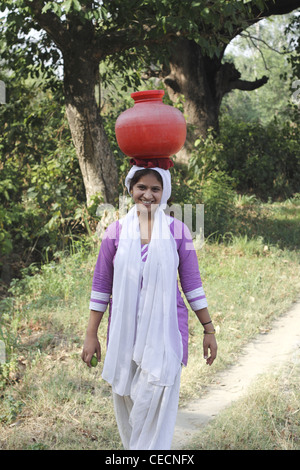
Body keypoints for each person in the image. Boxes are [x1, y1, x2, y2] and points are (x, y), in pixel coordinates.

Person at [81, 165, 217, 450]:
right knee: (130, 408)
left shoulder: (178, 231)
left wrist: (208, 329)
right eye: (142, 187)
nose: (148, 194)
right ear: (131, 189)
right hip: (124, 337)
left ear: (164, 192)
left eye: (155, 189)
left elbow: (192, 284)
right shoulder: (114, 233)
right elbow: (101, 287)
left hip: (166, 337)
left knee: (157, 399)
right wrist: (91, 335)